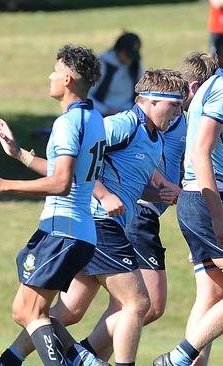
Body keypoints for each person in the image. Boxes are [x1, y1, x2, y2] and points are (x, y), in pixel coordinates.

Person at [0, 69, 187, 366]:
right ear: (151, 101)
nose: (178, 114)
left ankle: (10, 359)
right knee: (138, 302)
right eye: (175, 106)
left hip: (99, 228)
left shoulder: (154, 138)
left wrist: (159, 195)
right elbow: (79, 163)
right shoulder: (123, 125)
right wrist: (104, 196)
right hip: (98, 222)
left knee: (66, 313)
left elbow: (129, 183)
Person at [0, 44, 106, 366]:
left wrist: (3, 184)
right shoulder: (92, 117)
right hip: (75, 230)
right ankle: (84, 360)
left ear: (68, 79)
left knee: (27, 311)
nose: (50, 76)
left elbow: (61, 183)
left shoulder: (68, 123)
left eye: (55, 70)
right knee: (31, 312)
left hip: (64, 228)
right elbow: (63, 171)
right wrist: (19, 154)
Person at [76, 52, 215, 362]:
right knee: (144, 305)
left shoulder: (183, 121)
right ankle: (79, 354)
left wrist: (167, 191)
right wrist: (164, 185)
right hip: (133, 214)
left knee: (127, 306)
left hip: (143, 213)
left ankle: (79, 355)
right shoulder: (151, 121)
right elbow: (96, 151)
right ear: (195, 88)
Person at [153, 50, 223, 366]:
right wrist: (216, 216)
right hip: (209, 199)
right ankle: (179, 357)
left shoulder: (209, 90)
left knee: (211, 296)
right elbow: (199, 153)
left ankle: (185, 361)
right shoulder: (219, 89)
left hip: (198, 201)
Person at [89, 32, 143, 117]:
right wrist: (105, 110)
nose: (130, 59)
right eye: (127, 54)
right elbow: (87, 96)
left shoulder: (136, 66)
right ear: (118, 50)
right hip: (103, 114)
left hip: (129, 113)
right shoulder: (102, 65)